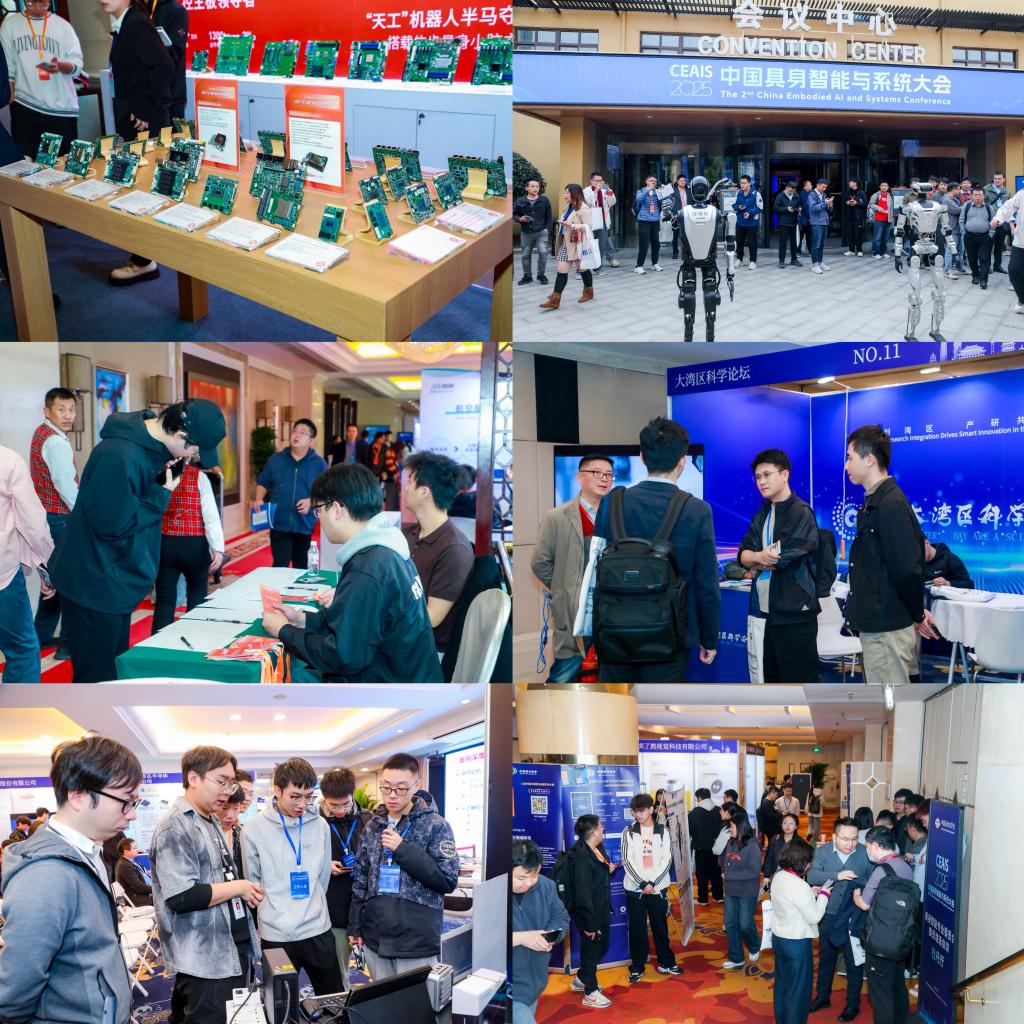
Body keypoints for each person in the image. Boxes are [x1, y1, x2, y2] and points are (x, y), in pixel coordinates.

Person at [48, 398, 225, 683]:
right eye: (194, 449)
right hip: (95, 581)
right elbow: (112, 525)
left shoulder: (151, 449)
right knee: (97, 679)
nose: (192, 457)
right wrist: (161, 492)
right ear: (180, 434)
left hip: (114, 579)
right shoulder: (119, 454)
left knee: (112, 672)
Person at [0, 735, 142, 1023]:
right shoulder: (45, 876)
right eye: (126, 801)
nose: (133, 814)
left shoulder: (89, 851)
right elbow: (14, 994)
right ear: (78, 796)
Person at [262, 463, 442, 683]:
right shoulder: (386, 549)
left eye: (319, 511)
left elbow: (341, 656)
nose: (319, 519)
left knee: (278, 681)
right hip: (405, 676)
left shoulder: (369, 567)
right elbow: (356, 623)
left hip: (387, 690)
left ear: (337, 509)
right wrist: (303, 620)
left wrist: (283, 630)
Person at [576, 416, 720, 682]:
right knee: (660, 705)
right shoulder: (697, 510)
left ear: (642, 456)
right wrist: (709, 638)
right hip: (671, 634)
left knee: (617, 704)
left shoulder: (612, 502)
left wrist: (589, 632)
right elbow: (706, 583)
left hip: (614, 632)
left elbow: (594, 569)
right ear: (682, 461)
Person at [150, 745, 263, 1023]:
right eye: (221, 781)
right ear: (193, 778)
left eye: (231, 783)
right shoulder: (176, 826)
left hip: (230, 949)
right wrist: (239, 887)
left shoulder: (210, 819)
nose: (227, 790)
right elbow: (181, 896)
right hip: (206, 960)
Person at [348, 752, 460, 980]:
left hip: (415, 941)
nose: (392, 795)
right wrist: (355, 926)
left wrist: (402, 849)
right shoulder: (373, 826)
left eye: (400, 789)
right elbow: (361, 879)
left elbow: (447, 880)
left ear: (416, 785)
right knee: (382, 998)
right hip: (376, 936)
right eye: (386, 788)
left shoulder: (436, 825)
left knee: (418, 1001)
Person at [844, 425, 937, 692]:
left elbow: (906, 568)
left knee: (888, 707)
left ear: (869, 459)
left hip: (886, 630)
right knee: (885, 704)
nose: (846, 465)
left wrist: (916, 612)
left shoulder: (890, 505)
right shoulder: (876, 502)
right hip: (880, 626)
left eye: (850, 457)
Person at [242, 757, 345, 995]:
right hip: (276, 932)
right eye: (295, 796)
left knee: (333, 997)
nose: (302, 804)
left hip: (317, 928)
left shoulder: (320, 825)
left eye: (309, 797)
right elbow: (253, 882)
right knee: (281, 1002)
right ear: (277, 790)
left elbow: (323, 877)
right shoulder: (253, 829)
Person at [103, 0, 174, 286]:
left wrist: (144, 110)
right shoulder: (127, 24)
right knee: (141, 188)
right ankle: (145, 256)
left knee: (143, 190)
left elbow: (164, 66)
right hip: (137, 121)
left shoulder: (135, 23)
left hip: (145, 123)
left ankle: (144, 261)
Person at [739, 448, 820, 685]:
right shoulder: (761, 515)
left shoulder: (801, 513)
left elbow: (782, 560)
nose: (761, 482)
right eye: (758, 477)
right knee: (770, 684)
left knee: (798, 686)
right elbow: (742, 555)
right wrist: (757, 557)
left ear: (785, 475)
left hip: (795, 616)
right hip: (765, 615)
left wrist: (757, 561)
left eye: (767, 475)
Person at [531, 452, 614, 683]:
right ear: (579, 477)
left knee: (610, 675)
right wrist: (565, 588)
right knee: (564, 674)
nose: (604, 478)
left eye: (609, 475)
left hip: (611, 609)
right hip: (573, 611)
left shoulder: (617, 516)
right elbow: (540, 562)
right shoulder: (557, 517)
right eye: (597, 472)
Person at [401, 451, 475, 656]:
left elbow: (431, 617)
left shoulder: (454, 548)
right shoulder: (408, 534)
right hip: (401, 639)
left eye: (410, 481)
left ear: (424, 492)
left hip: (426, 651)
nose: (405, 487)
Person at [0, 0, 83, 161]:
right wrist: (10, 98)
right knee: (26, 164)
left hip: (61, 109)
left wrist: (61, 66)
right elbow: (7, 67)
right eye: (32, 2)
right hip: (25, 105)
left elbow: (77, 65)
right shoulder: (10, 25)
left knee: (63, 163)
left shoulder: (63, 26)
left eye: (43, 3)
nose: (38, 7)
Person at [29, 387, 78, 662]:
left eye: (71, 409)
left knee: (54, 579)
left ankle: (41, 635)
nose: (68, 415)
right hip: (61, 518)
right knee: (70, 582)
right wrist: (83, 515)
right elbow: (66, 487)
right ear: (47, 411)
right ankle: (67, 645)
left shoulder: (42, 432)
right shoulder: (56, 442)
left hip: (47, 516)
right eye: (61, 409)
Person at [807, 817, 872, 1020]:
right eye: (845, 839)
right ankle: (822, 997)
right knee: (826, 959)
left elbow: (874, 882)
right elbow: (812, 876)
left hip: (854, 918)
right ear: (834, 837)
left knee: (854, 963)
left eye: (854, 838)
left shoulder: (864, 853)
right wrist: (838, 875)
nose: (850, 844)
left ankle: (852, 1005)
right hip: (828, 915)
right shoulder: (824, 851)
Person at [151, 455, 224, 633]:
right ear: (189, 455)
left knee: (164, 600)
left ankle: (158, 644)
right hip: (194, 545)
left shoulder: (157, 473)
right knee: (197, 595)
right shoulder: (199, 477)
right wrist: (217, 548)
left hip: (165, 543)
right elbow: (210, 516)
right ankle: (193, 638)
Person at [0, 443, 54, 683]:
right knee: (22, 650)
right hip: (3, 575)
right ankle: (21, 708)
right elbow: (32, 523)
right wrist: (47, 565)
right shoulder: (8, 460)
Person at [853, 826, 916, 1024]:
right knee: (897, 986)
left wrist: (856, 894)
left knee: (880, 995)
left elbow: (865, 904)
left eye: (867, 846)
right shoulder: (905, 866)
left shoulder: (881, 870)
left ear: (874, 845)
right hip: (901, 937)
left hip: (880, 940)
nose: (867, 850)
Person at [770, 839, 832, 1024]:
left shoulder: (779, 876)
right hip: (797, 943)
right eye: (809, 861)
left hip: (779, 938)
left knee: (782, 984)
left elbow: (790, 900)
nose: (810, 865)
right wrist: (824, 896)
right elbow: (814, 917)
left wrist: (810, 894)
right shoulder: (799, 885)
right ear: (802, 862)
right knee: (799, 990)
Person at [253, 418, 328, 570]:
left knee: (301, 567)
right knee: (280, 566)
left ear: (311, 440)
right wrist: (258, 498)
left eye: (303, 432)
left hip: (305, 525)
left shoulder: (319, 464)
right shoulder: (276, 459)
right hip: (279, 523)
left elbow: (327, 491)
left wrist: (311, 501)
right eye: (295, 431)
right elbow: (263, 481)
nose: (297, 435)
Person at [621, 793, 680, 982]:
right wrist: (642, 883)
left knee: (660, 926)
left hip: (657, 888)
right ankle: (637, 966)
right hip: (635, 888)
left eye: (641, 811)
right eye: (635, 811)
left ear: (651, 810)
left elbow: (667, 860)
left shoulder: (663, 831)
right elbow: (627, 860)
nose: (637, 815)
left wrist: (652, 883)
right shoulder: (628, 831)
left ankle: (666, 961)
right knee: (637, 928)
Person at [319, 767, 371, 984]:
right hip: (335, 907)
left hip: (366, 907)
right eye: (334, 805)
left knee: (371, 971)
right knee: (340, 972)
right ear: (324, 799)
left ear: (352, 796)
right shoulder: (315, 822)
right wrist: (325, 866)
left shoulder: (368, 820)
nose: (340, 810)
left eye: (346, 804)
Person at [512, 839, 569, 1024]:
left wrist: (550, 935)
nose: (529, 883)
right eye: (521, 878)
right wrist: (522, 938)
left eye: (535, 875)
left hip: (535, 980)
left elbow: (561, 917)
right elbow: (485, 938)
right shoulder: (493, 890)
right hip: (508, 987)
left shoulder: (546, 886)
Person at [563, 814, 616, 1007]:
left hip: (600, 909)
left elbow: (595, 876)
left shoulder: (596, 849)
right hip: (589, 915)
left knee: (600, 947)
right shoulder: (581, 858)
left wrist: (606, 870)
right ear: (593, 832)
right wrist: (589, 924)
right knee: (591, 952)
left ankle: (581, 979)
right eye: (601, 827)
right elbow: (582, 894)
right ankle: (590, 992)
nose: (603, 829)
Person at [539, 183, 595, 307]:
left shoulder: (584, 208)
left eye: (567, 193)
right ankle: (555, 299)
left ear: (574, 194)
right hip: (566, 243)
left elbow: (589, 226)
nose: (564, 195)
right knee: (561, 270)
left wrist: (573, 225)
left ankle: (589, 291)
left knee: (583, 269)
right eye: (564, 192)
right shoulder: (569, 206)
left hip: (578, 244)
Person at [721, 812, 762, 970]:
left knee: (745, 924)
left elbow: (754, 872)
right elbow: (727, 863)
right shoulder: (731, 842)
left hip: (747, 891)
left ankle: (754, 945)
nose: (730, 829)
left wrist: (729, 875)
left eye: (732, 826)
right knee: (730, 924)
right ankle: (736, 957)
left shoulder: (752, 845)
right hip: (731, 890)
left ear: (740, 827)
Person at [988, 185, 1024, 310]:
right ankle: (1022, 300)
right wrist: (998, 219)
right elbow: (1007, 208)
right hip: (1020, 242)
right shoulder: (1021, 194)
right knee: (1014, 271)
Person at [151, 0, 187, 119]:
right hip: (153, 92)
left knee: (172, 129)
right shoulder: (149, 8)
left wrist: (149, 47)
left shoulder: (177, 10)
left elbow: (176, 51)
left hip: (172, 92)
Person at [514, 177, 553, 286]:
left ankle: (541, 274)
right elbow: (514, 214)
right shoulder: (520, 201)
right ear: (526, 188)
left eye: (537, 186)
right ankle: (527, 276)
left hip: (541, 232)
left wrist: (547, 229)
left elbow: (549, 217)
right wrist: (520, 219)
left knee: (543, 252)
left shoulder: (544, 200)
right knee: (525, 255)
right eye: (532, 186)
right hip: (526, 232)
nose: (535, 188)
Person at [689, 787, 725, 903]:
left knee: (702, 875)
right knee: (716, 873)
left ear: (699, 798)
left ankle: (703, 899)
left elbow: (690, 830)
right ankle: (718, 896)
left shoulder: (694, 812)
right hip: (716, 847)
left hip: (701, 848)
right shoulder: (719, 810)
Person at [960, 188, 995, 289]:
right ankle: (975, 276)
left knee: (984, 258)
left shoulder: (989, 207)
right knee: (972, 258)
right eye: (976, 195)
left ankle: (983, 280)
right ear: (972, 196)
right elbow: (961, 220)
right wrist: (964, 233)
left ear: (983, 196)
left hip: (985, 237)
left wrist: (990, 234)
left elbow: (993, 222)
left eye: (980, 195)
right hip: (970, 236)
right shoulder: (966, 206)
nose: (978, 197)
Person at [583, 171, 619, 270]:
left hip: (603, 220)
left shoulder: (604, 190)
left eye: (600, 180)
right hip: (590, 221)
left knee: (601, 244)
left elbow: (613, 202)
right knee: (589, 242)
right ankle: (587, 264)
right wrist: (595, 192)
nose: (599, 182)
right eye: (596, 180)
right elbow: (589, 203)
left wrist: (610, 192)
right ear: (591, 181)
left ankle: (598, 266)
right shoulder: (586, 191)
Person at [631, 174, 665, 276]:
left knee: (656, 243)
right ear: (646, 181)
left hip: (655, 220)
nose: (653, 182)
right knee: (644, 244)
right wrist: (648, 190)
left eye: (655, 181)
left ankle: (654, 263)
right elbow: (638, 200)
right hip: (644, 220)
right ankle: (639, 266)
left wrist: (664, 191)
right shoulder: (641, 191)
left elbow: (664, 201)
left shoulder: (657, 192)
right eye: (651, 180)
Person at [216, 784, 246, 882]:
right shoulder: (205, 833)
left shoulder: (241, 833)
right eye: (224, 808)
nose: (230, 815)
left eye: (236, 808)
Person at [733, 174, 762, 269]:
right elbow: (734, 205)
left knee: (752, 243)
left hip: (751, 223)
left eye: (744, 183)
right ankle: (739, 259)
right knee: (739, 242)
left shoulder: (756, 194)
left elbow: (760, 207)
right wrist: (738, 207)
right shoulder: (738, 193)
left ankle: (753, 261)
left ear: (749, 183)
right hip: (740, 222)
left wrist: (750, 213)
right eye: (741, 183)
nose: (742, 185)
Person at [984, 172, 1011, 274]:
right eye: (995, 178)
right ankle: (986, 266)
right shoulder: (986, 189)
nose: (997, 180)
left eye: (999, 179)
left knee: (999, 246)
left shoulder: (1007, 192)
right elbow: (983, 204)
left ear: (1004, 179)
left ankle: (997, 266)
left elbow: (1009, 207)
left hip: (1002, 222)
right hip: (990, 221)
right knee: (988, 245)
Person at [114, 837, 153, 906]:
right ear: (126, 852)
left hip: (147, 893)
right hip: (139, 899)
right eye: (134, 848)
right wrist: (155, 889)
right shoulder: (125, 866)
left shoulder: (131, 862)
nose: (137, 850)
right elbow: (138, 886)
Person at [764, 811, 800, 882]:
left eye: (791, 823)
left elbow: (800, 863)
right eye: (785, 823)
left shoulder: (799, 842)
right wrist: (766, 876)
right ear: (781, 825)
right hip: (776, 876)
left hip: (792, 878)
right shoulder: (775, 839)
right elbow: (769, 858)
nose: (787, 826)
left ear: (796, 826)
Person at [808, 179, 834, 274]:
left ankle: (820, 262)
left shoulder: (824, 195)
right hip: (816, 222)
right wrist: (825, 204)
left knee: (821, 244)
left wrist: (830, 205)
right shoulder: (812, 195)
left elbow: (829, 210)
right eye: (823, 187)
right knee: (816, 244)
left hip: (824, 222)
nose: (824, 189)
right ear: (817, 185)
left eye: (825, 187)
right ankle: (815, 265)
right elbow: (813, 208)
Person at [775, 180, 802, 268]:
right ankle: (781, 261)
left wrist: (799, 208)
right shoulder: (780, 196)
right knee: (783, 243)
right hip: (783, 223)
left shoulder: (796, 195)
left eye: (793, 191)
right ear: (787, 187)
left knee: (794, 243)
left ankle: (794, 259)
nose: (792, 192)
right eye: (790, 190)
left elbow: (799, 205)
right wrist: (786, 209)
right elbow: (775, 208)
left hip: (793, 222)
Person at [868, 182, 895, 259]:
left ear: (888, 187)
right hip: (878, 219)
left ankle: (883, 252)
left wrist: (891, 218)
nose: (884, 187)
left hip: (888, 220)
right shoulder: (876, 195)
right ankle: (876, 253)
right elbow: (871, 204)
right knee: (877, 237)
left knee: (885, 238)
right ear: (880, 187)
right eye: (882, 186)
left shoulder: (889, 196)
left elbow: (891, 208)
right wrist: (879, 208)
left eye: (885, 186)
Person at [842, 179, 867, 256]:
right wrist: (847, 202)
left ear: (855, 183)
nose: (849, 183)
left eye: (850, 182)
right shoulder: (848, 192)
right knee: (850, 234)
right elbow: (843, 201)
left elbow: (865, 203)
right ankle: (851, 250)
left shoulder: (861, 192)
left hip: (858, 217)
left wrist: (857, 203)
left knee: (858, 234)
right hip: (849, 216)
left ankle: (859, 250)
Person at [670, 173, 690, 260]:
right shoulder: (672, 191)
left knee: (687, 236)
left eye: (684, 181)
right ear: (678, 182)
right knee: (675, 236)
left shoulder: (688, 191)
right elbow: (667, 201)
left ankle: (687, 252)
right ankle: (675, 252)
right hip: (676, 216)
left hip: (687, 216)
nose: (683, 182)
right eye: (681, 181)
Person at [757, 785, 782, 850]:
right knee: (772, 844)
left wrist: (780, 813)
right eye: (776, 794)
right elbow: (770, 817)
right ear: (772, 793)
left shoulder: (771, 802)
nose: (777, 796)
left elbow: (775, 812)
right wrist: (781, 815)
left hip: (773, 827)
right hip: (770, 828)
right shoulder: (766, 803)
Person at [797, 180, 814, 255]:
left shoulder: (807, 193)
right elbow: (806, 206)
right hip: (805, 219)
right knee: (807, 236)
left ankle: (798, 251)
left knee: (802, 236)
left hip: (805, 218)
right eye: (810, 185)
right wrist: (810, 217)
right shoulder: (803, 194)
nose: (811, 186)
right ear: (806, 186)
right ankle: (810, 252)